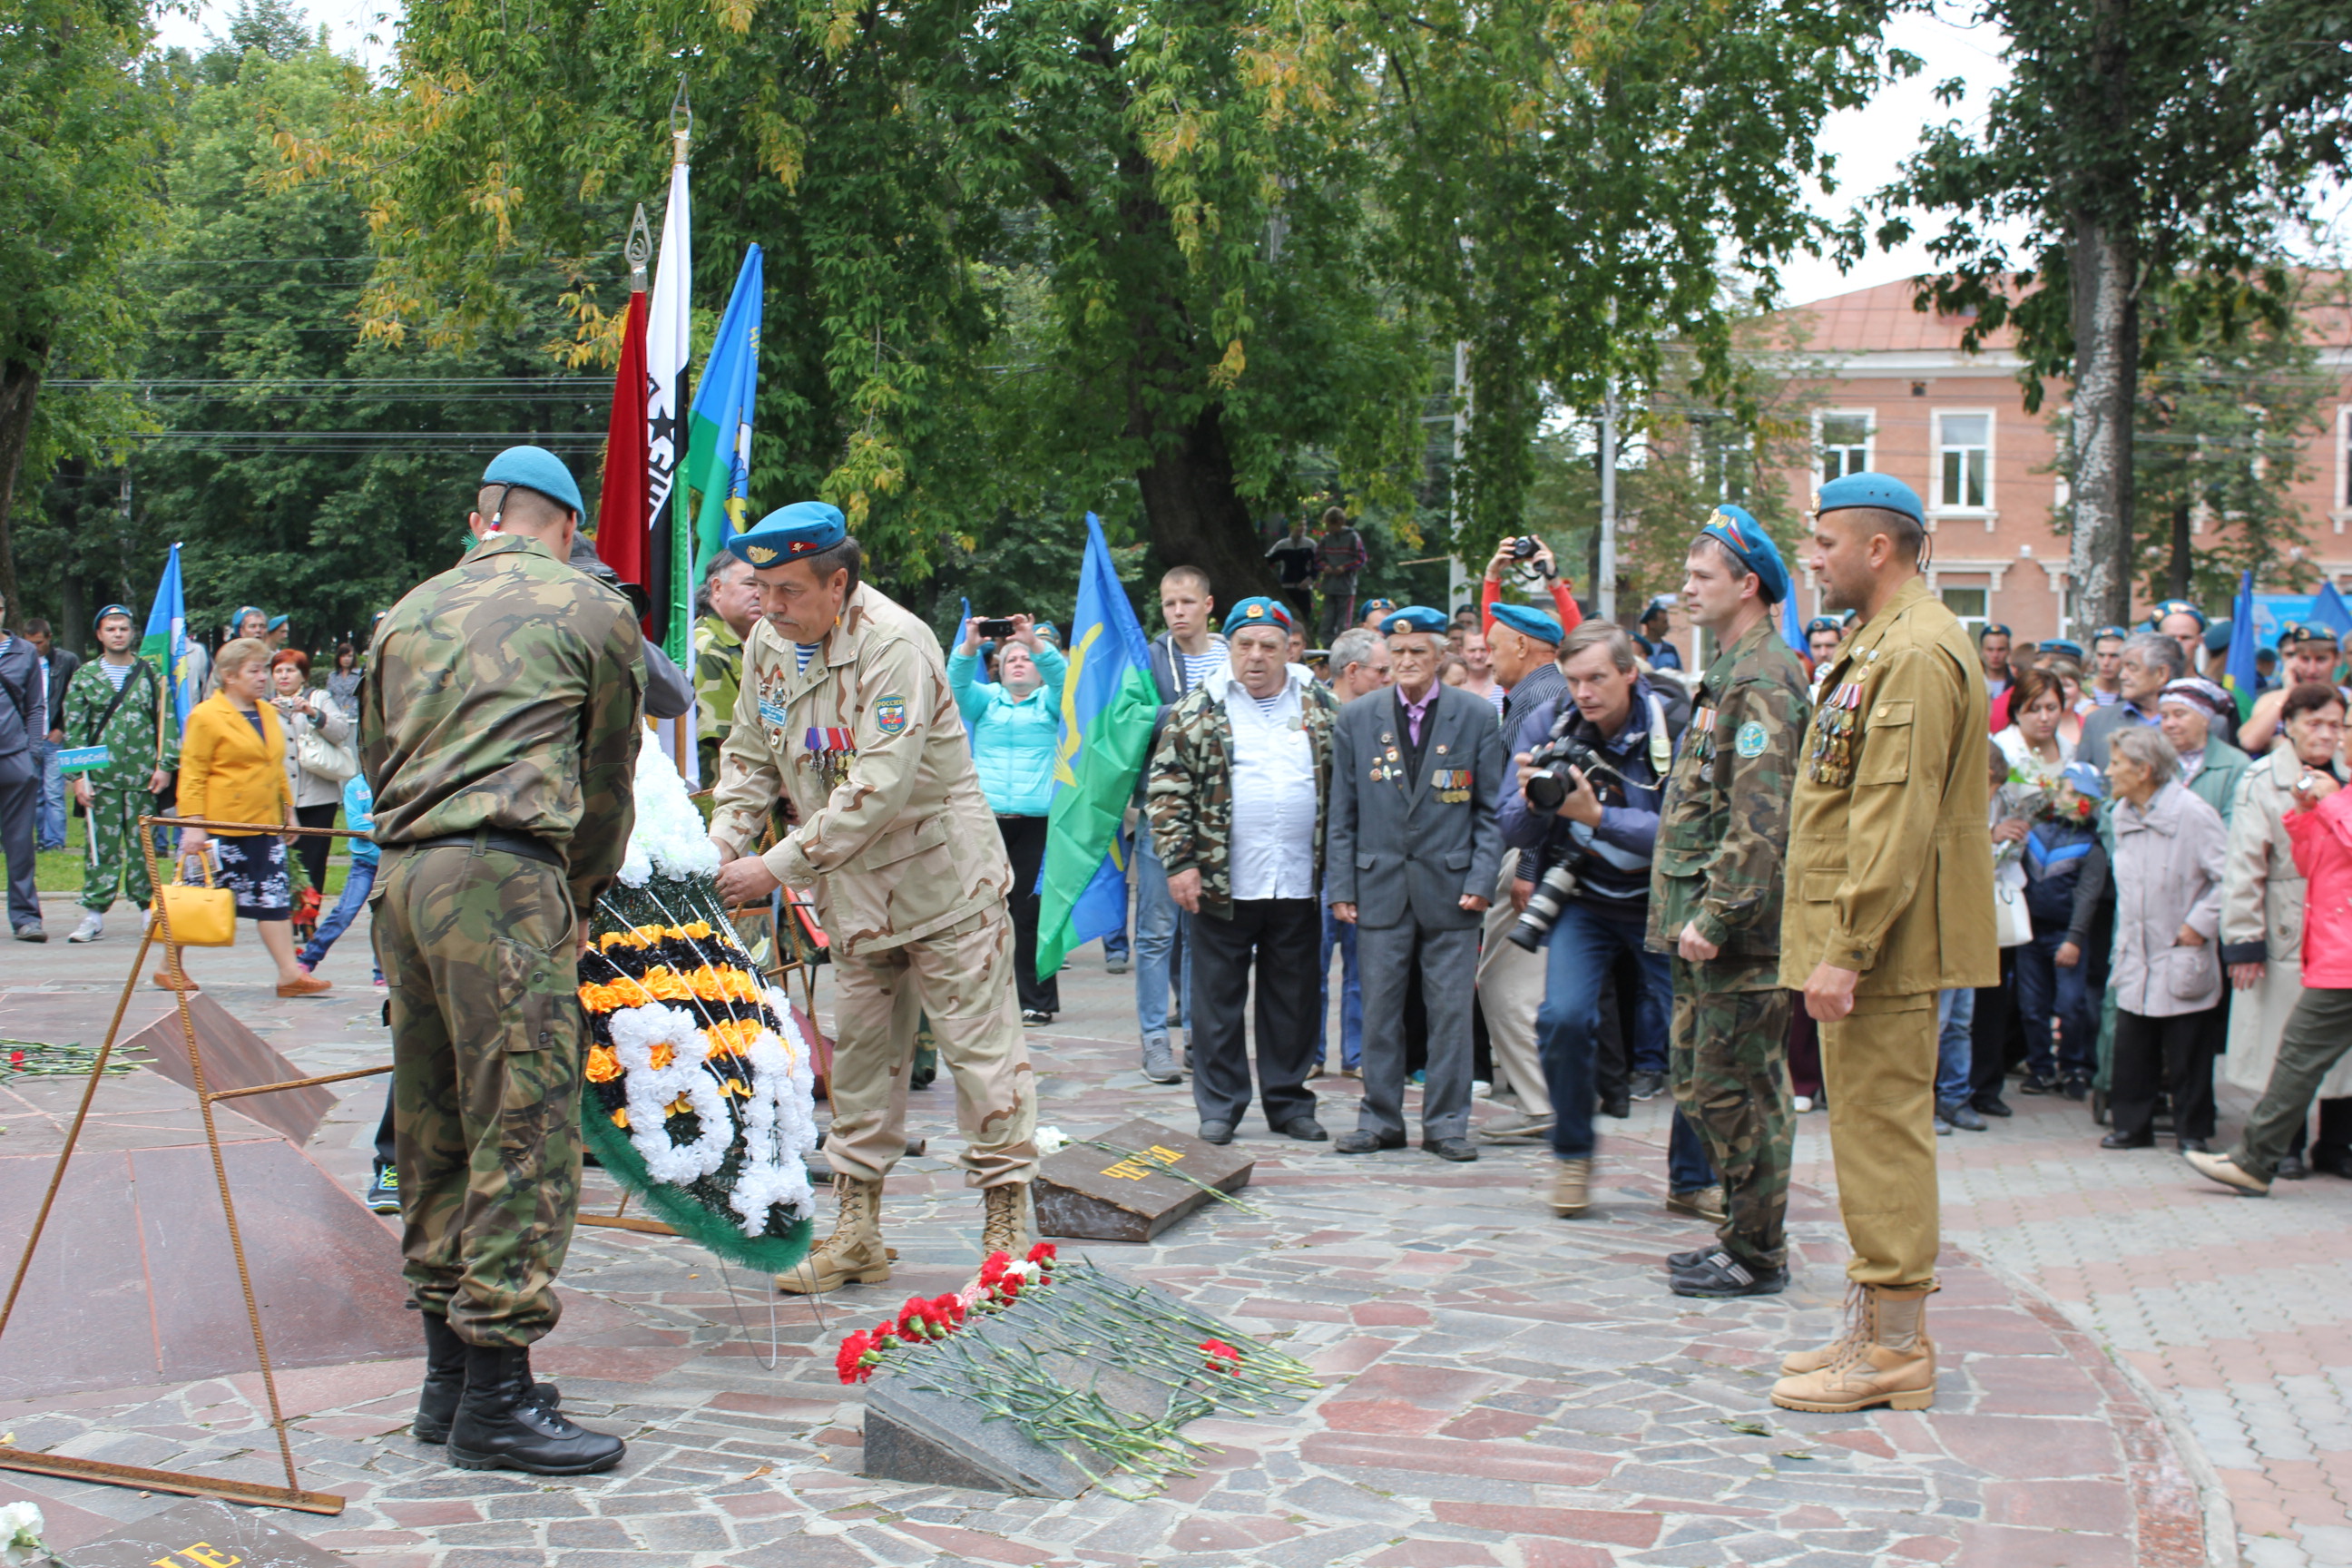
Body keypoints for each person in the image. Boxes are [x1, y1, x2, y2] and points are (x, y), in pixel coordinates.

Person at [361, 445, 641, 1475]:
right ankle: (499, 1399)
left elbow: (376, 759)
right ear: (565, 524)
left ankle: (448, 1379)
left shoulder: (405, 610)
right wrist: (575, 897)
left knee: (431, 1123)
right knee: (522, 1128)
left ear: (485, 516)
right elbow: (608, 777)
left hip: (403, 878)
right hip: (509, 877)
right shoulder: (592, 610)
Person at [710, 502, 1037, 1287]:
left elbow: (878, 784)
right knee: (858, 1065)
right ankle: (856, 1229)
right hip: (855, 897)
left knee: (981, 1060)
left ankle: (1008, 1232)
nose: (772, 607)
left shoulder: (895, 644)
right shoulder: (768, 645)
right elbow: (751, 754)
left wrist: (774, 867)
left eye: (789, 591)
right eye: (761, 589)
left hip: (943, 888)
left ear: (840, 582)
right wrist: (721, 843)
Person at [1772, 471, 1994, 1416]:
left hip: (1883, 947)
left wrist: (1848, 946)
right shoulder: (1878, 644)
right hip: (1862, 939)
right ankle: (1875, 1322)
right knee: (1865, 1136)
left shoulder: (1911, 652)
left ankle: (1898, 1350)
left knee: (1883, 1138)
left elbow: (1893, 818)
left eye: (1824, 543)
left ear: (1877, 548)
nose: (1811, 560)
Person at [1647, 506, 1810, 1298]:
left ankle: (1757, 1252)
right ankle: (1745, 1238)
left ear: (1748, 586)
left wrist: (1718, 915)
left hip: (1734, 935)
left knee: (1735, 1090)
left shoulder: (1762, 677)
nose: (1686, 588)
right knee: (1711, 1084)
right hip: (1708, 925)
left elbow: (1760, 814)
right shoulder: (1730, 672)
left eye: (1702, 576)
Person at [1502, 622, 1714, 1220]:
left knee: (1695, 1036)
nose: (1584, 693)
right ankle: (1572, 1156)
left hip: (1665, 899)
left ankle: (1692, 1179)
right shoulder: (1553, 723)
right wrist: (1529, 799)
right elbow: (1510, 828)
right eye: (1573, 681)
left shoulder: (1677, 723)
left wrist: (1597, 816)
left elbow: (1682, 830)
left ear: (1629, 672)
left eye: (1597, 677)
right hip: (1585, 896)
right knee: (1563, 1018)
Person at [1147, 597, 1339, 1145]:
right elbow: (1166, 790)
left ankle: (1288, 1101)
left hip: (1297, 880)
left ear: (1288, 650)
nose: (1256, 657)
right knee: (1216, 1003)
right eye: (1245, 645)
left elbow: (1343, 786)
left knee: (1294, 998)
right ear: (1228, 648)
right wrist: (1180, 861)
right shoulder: (1196, 709)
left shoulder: (1321, 707)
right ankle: (1221, 1106)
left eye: (1268, 647)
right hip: (1219, 882)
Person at [1326, 606, 1504, 1161]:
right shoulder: (1357, 718)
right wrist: (1342, 887)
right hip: (1379, 886)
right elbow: (1342, 813)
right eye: (1397, 654)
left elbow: (1491, 811)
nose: (1406, 662)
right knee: (1378, 1008)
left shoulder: (1475, 716)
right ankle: (1379, 1120)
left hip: (1453, 889)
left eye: (1418, 653)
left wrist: (1482, 878)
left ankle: (1447, 1124)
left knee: (1449, 1011)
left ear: (1439, 656)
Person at [2189, 739, 2352, 1198]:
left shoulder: (2342, 794)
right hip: (2331, 953)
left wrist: (2332, 800)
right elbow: (2310, 865)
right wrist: (2305, 814)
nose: (2341, 738)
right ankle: (2255, 1158)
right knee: (2297, 1056)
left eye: (2348, 727)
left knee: (2298, 1057)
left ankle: (2255, 1160)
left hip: (2343, 960)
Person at [167, 638, 329, 998]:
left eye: (264, 670)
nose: (263, 678)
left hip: (263, 823)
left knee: (273, 898)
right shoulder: (206, 716)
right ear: (229, 676)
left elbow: (276, 767)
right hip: (216, 828)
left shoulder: (268, 712)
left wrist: (289, 810)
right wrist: (192, 825)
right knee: (194, 899)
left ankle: (290, 974)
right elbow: (192, 773)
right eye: (254, 671)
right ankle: (169, 966)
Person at [2101, 726, 2228, 1152]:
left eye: (2117, 763)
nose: (2108, 771)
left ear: (2144, 770)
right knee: (2133, 1044)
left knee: (2188, 1048)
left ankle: (2193, 1132)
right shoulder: (2121, 813)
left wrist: (2199, 924)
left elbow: (2229, 878)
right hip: (2137, 949)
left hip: (2181, 948)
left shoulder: (2193, 813)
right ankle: (2131, 1126)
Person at [1475, 600, 1569, 1143]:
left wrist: (1526, 867)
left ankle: (1541, 1102)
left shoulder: (1538, 699)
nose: (1488, 659)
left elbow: (1539, 793)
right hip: (1545, 858)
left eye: (1493, 647)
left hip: (1530, 857)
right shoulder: (1540, 693)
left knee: (1506, 982)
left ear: (1523, 646)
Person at [1133, 566, 1228, 1083]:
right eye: (1170, 604)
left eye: (1187, 603)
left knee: (1203, 930)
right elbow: (1126, 716)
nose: (1178, 613)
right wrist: (1186, 712)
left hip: (1216, 813)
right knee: (1155, 931)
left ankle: (1198, 1033)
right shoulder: (1150, 657)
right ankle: (1154, 1040)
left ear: (1207, 604)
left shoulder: (1235, 654)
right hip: (1160, 810)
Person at [951, 612, 1068, 1024]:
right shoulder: (986, 700)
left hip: (1038, 823)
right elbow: (955, 684)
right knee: (982, 911)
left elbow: (1064, 678)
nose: (1019, 662)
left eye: (1027, 659)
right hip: (987, 822)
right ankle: (982, 999)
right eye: (1011, 658)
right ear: (998, 668)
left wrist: (1033, 641)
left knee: (1030, 914)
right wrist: (969, 644)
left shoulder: (1050, 703)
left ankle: (1036, 999)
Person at [64, 605, 173, 944]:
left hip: (142, 774)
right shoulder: (85, 676)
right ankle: (94, 914)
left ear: (132, 633)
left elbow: (165, 719)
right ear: (99, 634)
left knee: (143, 847)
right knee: (101, 847)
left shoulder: (152, 674)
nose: (117, 634)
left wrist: (165, 765)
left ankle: (146, 909)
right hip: (102, 776)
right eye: (111, 629)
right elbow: (74, 728)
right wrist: (78, 777)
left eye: (123, 628)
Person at [1318, 627, 1394, 1076]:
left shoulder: (1386, 716)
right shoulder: (1309, 713)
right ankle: (1307, 1054)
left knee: (1365, 964)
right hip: (1316, 860)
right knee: (1310, 963)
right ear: (1353, 671)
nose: (1389, 678)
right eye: (1381, 670)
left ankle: (1358, 1055)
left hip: (1368, 858)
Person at [2016, 758, 2105, 1100]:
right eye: (2071, 792)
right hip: (2031, 932)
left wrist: (2074, 939)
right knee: (2032, 1005)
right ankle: (2039, 1067)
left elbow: (2088, 896)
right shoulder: (2036, 830)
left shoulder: (2091, 844)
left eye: (2084, 796)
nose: (2077, 801)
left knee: (2070, 1005)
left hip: (2064, 935)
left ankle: (2072, 1068)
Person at [271, 649, 355, 897]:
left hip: (318, 796)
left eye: (290, 670)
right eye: (278, 671)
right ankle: (285, 918)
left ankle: (309, 918)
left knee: (314, 861)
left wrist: (312, 713)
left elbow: (341, 732)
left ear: (303, 675)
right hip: (279, 798)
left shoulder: (319, 698)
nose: (284, 676)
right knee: (281, 862)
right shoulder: (264, 705)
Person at [0, 594, 47, 941]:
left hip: (15, 757)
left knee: (19, 844)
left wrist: (32, 754)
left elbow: (35, 707)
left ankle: (26, 918)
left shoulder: (24, 652)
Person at [693, 553, 760, 784]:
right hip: (726, 800)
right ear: (717, 587)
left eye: (766, 585)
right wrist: (790, 791)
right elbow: (734, 750)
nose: (760, 594)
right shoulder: (709, 648)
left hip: (759, 796)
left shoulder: (751, 646)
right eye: (751, 584)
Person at [2078, 632, 2184, 769]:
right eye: (2123, 668)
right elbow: (2081, 783)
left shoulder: (2199, 722)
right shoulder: (2097, 722)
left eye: (2132, 668)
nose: (2122, 676)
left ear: (2161, 673)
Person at [2159, 677, 2249, 825]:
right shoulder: (2152, 761)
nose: (2169, 724)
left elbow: (2234, 825)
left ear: (2205, 719)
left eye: (2179, 714)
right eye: (2164, 716)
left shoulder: (2235, 765)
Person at [2240, 624, 2343, 754]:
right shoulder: (2272, 699)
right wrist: (2288, 692)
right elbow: (2249, 741)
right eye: (2305, 659)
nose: (2312, 670)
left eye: (2321, 659)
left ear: (2337, 659)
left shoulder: (2348, 698)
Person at [23, 622, 76, 851]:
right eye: (30, 643)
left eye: (39, 643)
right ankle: (40, 839)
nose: (35, 648)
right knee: (33, 792)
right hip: (28, 738)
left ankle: (54, 842)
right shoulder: (21, 662)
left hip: (55, 736)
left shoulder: (67, 661)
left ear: (49, 638)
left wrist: (62, 729)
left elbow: (75, 698)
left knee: (54, 791)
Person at [1479, 537, 1582, 643]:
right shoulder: (1506, 657)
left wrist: (1553, 579)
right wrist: (1492, 574)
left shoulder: (1568, 655)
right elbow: (1492, 641)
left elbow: (1579, 643)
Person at [1996, 664, 2073, 792]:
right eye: (2034, 710)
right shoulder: (2003, 750)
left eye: (2051, 708)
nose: (2044, 718)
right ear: (2017, 711)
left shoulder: (2068, 749)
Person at [1313, 507, 1367, 643]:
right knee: (1327, 621)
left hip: (1346, 586)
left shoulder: (1352, 537)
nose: (1329, 528)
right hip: (1329, 586)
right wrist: (1325, 567)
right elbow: (1317, 560)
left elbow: (1361, 559)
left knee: (1343, 624)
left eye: (1331, 524)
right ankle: (1326, 648)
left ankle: (1343, 648)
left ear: (1340, 522)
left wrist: (1345, 568)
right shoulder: (1326, 539)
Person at [1266, 518, 1319, 626]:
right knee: (1286, 616)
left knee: (1304, 617)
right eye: (1299, 525)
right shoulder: (1282, 545)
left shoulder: (1310, 545)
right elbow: (1267, 560)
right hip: (1287, 587)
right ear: (1290, 527)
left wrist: (1310, 579)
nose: (1302, 528)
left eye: (1304, 525)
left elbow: (1317, 564)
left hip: (1304, 588)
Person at [1455, 628, 1503, 712]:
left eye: (1483, 650)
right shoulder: (1453, 684)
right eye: (1472, 650)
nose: (1478, 656)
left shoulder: (1503, 683)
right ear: (1461, 651)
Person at [1638, 599, 1682, 671]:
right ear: (1652, 623)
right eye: (1664, 622)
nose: (1667, 626)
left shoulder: (1670, 650)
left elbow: (1679, 675)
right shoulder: (1639, 648)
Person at [2089, 626, 2128, 705]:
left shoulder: (2133, 695)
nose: (2106, 663)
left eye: (2114, 656)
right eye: (2101, 655)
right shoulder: (2081, 692)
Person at [325, 642, 364, 711]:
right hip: (336, 714)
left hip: (354, 714)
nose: (346, 659)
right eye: (343, 656)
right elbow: (328, 697)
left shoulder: (360, 675)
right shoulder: (332, 676)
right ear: (339, 658)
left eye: (349, 656)